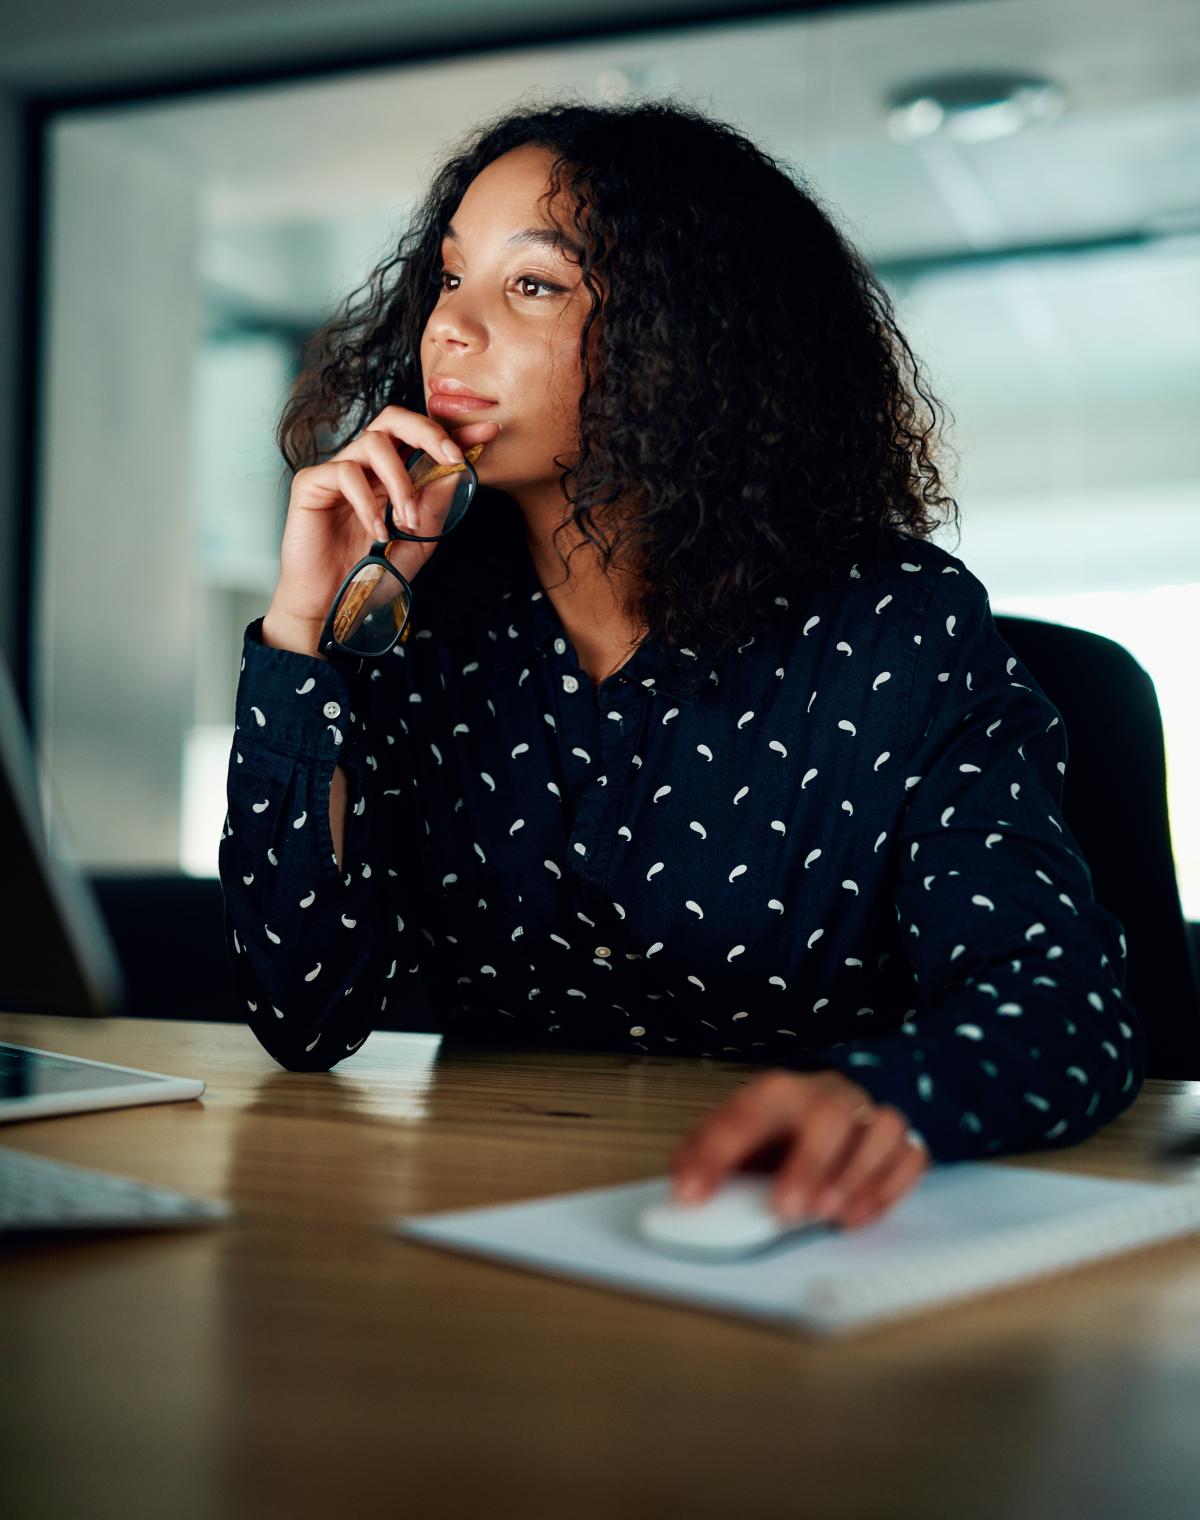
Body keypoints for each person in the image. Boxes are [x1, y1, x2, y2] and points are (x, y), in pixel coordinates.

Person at [218, 99, 1145, 1235]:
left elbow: (1061, 1002)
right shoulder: (416, 619)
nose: (449, 330)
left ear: (684, 338)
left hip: (811, 1234)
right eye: (451, 279)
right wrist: (304, 629)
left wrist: (889, 1098)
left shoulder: (892, 623)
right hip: (491, 1231)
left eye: (535, 286)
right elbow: (302, 1011)